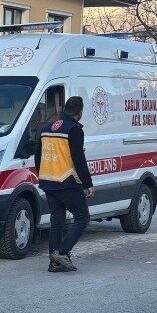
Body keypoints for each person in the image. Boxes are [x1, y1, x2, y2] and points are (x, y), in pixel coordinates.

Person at [36, 95, 94, 273]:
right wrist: (87, 183)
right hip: (66, 181)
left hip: (48, 180)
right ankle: (61, 253)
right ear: (80, 112)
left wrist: (42, 175)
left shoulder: (46, 127)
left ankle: (54, 263)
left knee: (57, 221)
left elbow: (38, 155)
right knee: (82, 217)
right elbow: (78, 158)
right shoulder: (74, 129)